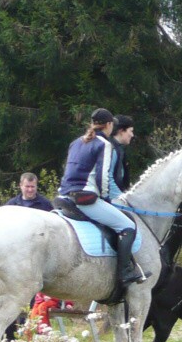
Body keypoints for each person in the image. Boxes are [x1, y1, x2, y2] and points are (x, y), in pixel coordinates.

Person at [58, 108, 147, 286]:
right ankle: (125, 272)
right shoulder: (104, 145)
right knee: (128, 225)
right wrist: (107, 199)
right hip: (86, 198)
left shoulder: (76, 142)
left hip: (64, 195)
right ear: (108, 125)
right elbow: (102, 177)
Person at [108, 115, 135, 195]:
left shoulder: (119, 149)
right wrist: (122, 199)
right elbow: (108, 179)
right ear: (121, 131)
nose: (132, 135)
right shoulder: (111, 149)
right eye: (130, 131)